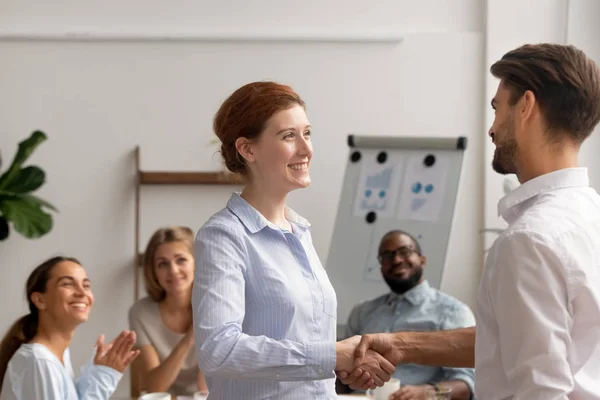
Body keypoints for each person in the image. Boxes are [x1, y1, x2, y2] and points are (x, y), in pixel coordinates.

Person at [341, 43, 600, 399]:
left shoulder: (529, 239)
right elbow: (516, 337)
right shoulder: (590, 214)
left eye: (497, 109)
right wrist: (403, 344)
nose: (492, 129)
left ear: (525, 106)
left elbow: (542, 391)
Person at [192, 81, 394, 399]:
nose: (306, 149)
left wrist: (345, 369)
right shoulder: (224, 236)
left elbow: (303, 347)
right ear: (248, 149)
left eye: (307, 133)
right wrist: (331, 355)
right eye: (289, 136)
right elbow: (218, 349)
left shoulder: (300, 233)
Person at [342, 230, 475, 399]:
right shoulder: (362, 312)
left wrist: (428, 393)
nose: (396, 260)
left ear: (422, 259)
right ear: (381, 267)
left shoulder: (453, 312)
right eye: (387, 256)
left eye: (405, 251)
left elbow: (467, 384)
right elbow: (342, 375)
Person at [0, 256, 139, 399]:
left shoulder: (58, 355)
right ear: (40, 300)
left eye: (86, 285)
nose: (82, 292)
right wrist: (103, 378)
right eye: (67, 284)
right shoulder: (40, 361)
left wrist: (101, 374)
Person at [128, 226, 208, 396]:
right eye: (163, 264)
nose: (173, 271)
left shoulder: (214, 305)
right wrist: (190, 338)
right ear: (154, 272)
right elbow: (154, 389)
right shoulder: (141, 313)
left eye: (181, 260)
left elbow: (208, 387)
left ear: (196, 262)